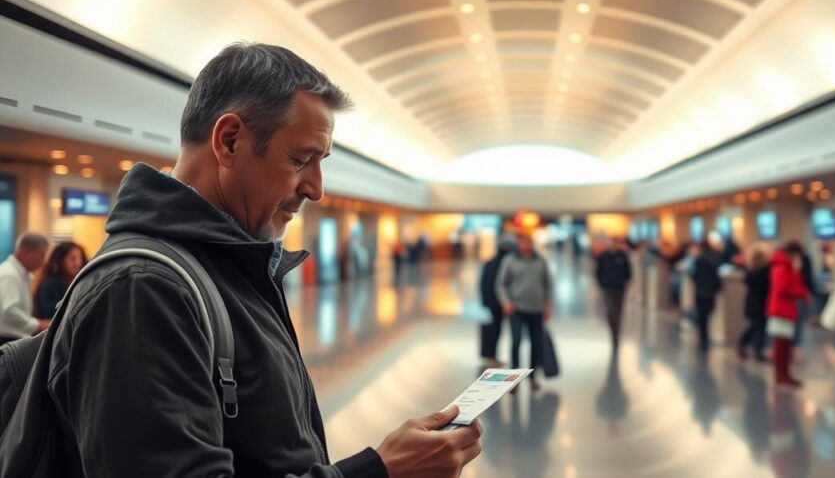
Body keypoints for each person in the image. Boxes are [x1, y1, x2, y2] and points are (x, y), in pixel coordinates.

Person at [4, 44, 482, 476]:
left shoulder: (232, 269)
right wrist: (378, 473)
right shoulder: (143, 289)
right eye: (301, 159)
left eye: (322, 162)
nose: (315, 188)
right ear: (229, 140)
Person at [498, 232, 553, 392]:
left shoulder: (540, 260)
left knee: (536, 344)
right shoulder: (510, 261)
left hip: (536, 309)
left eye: (529, 243)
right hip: (516, 308)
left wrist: (548, 305)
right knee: (516, 342)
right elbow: (501, 284)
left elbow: (548, 285)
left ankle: (533, 377)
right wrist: (506, 302)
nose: (526, 246)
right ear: (518, 244)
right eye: (523, 243)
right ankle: (514, 379)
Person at [767, 241, 811, 387]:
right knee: (781, 345)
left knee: (786, 345)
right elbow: (783, 289)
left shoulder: (787, 267)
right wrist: (801, 292)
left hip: (787, 309)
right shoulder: (781, 268)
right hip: (781, 310)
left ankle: (785, 374)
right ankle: (781, 375)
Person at [0, 232, 50, 344]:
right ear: (26, 252)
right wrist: (38, 324)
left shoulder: (17, 273)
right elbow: (9, 310)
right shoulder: (9, 274)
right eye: (41, 256)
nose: (43, 261)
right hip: (6, 340)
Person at [480, 233, 516, 368]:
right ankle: (492, 356)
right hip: (500, 303)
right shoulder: (506, 264)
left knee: (495, 329)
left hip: (494, 303)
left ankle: (491, 355)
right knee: (496, 330)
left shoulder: (490, 263)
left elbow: (483, 284)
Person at [595, 236, 633, 350]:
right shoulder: (604, 256)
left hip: (620, 288)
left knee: (619, 311)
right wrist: (602, 284)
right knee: (611, 311)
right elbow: (598, 271)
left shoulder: (623, 256)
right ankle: (613, 334)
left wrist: (626, 283)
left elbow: (628, 272)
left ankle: (617, 332)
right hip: (608, 288)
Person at [34, 241, 88, 320]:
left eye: (80, 259)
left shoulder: (76, 282)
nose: (78, 263)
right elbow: (51, 313)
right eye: (73, 259)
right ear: (60, 261)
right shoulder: (51, 283)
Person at [687, 235, 723, 353]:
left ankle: (704, 338)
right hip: (710, 291)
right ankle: (706, 337)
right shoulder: (715, 259)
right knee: (709, 314)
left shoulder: (699, 260)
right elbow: (716, 277)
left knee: (702, 316)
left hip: (700, 291)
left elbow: (694, 275)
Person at [737, 243, 771, 362]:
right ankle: (746, 345)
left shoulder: (752, 269)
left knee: (759, 327)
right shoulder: (760, 271)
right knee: (756, 327)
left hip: (757, 303)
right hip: (757, 304)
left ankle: (757, 349)